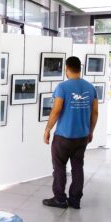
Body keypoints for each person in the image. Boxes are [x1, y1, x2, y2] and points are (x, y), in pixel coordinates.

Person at [42, 56, 99, 209]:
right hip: (82, 136)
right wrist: (91, 131)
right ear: (79, 69)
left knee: (59, 167)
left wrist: (47, 129)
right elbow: (95, 112)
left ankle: (60, 199)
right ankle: (75, 200)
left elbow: (56, 111)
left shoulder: (62, 87)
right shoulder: (90, 87)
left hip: (63, 137)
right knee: (78, 167)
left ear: (66, 69)